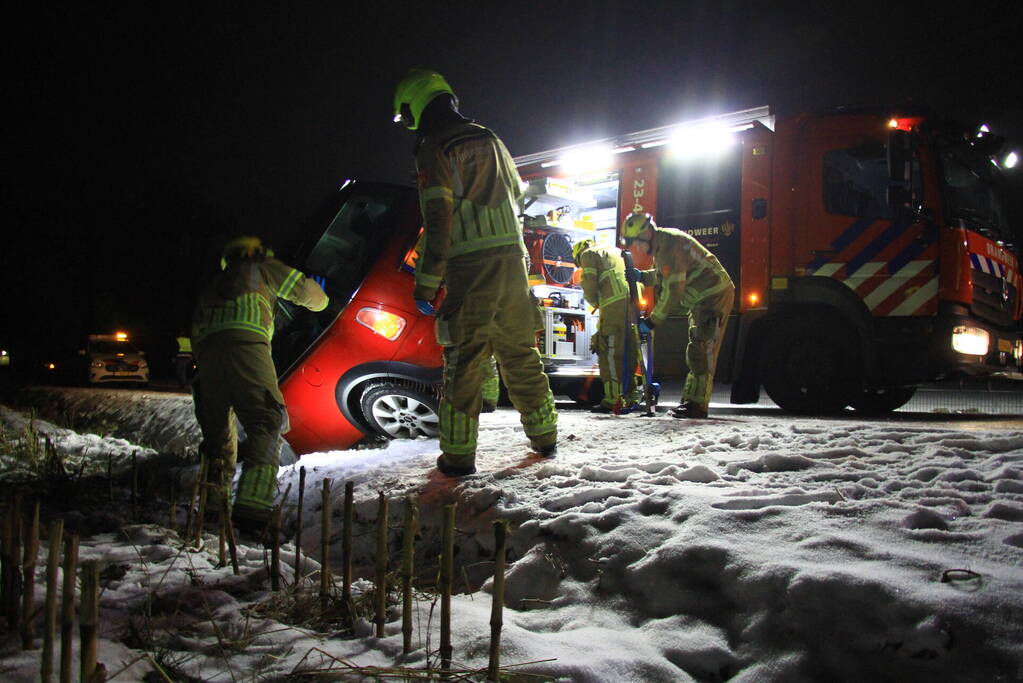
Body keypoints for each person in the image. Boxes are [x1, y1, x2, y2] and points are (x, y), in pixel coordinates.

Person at [393, 68, 558, 476]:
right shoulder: (490, 137)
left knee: (464, 363)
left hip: (470, 266)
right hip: (513, 263)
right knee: (520, 352)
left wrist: (426, 284)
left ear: (415, 107)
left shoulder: (434, 146)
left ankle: (458, 457)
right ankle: (545, 437)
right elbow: (516, 193)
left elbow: (438, 219)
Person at [191, 236, 328, 531]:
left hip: (206, 357)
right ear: (255, 252)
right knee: (266, 420)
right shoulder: (260, 265)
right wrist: (323, 295)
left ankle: (212, 509)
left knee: (217, 437)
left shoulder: (216, 283)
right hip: (247, 346)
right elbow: (312, 298)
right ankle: (253, 509)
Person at [620, 212, 734, 419]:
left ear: (646, 234)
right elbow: (666, 274)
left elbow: (673, 290)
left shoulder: (669, 246)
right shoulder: (664, 243)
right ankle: (691, 402)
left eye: (636, 243)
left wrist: (652, 321)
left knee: (702, 350)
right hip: (704, 297)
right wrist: (643, 277)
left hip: (712, 295)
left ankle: (697, 405)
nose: (637, 249)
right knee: (697, 349)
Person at [572, 238, 644, 413]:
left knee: (609, 352)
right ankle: (630, 396)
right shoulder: (615, 251)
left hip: (614, 306)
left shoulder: (589, 254)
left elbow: (589, 285)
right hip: (633, 304)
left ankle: (613, 399)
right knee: (629, 352)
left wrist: (595, 303)